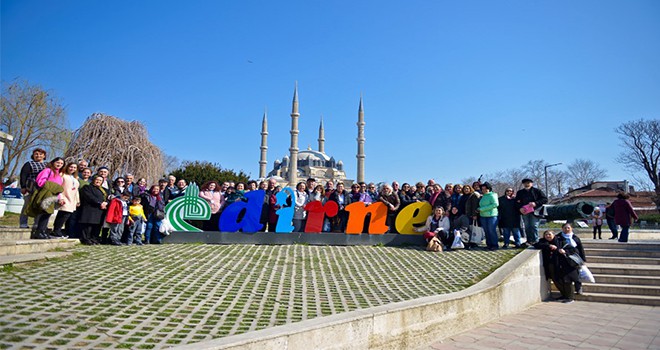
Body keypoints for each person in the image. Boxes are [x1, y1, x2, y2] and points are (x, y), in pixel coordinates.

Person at [30, 157, 65, 239]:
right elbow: (40, 181)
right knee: (44, 212)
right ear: (53, 162)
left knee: (48, 213)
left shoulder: (58, 175)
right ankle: (39, 231)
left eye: (61, 164)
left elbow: (58, 188)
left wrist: (59, 197)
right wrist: (51, 186)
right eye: (58, 162)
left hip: (53, 196)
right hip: (46, 194)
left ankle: (43, 230)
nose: (59, 164)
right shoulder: (48, 171)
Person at [552, 223, 586, 303]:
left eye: (568, 228)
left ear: (571, 228)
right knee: (567, 279)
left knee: (576, 276)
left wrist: (583, 259)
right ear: (562, 228)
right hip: (564, 260)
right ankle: (568, 295)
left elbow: (579, 249)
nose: (567, 229)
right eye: (565, 228)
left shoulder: (575, 238)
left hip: (574, 260)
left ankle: (578, 288)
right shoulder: (558, 237)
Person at [19, 148, 47, 229]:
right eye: (36, 154)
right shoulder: (29, 164)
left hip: (42, 189)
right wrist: (23, 186)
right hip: (31, 187)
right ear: (33, 155)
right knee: (27, 205)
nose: (38, 155)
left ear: (44, 156)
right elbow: (23, 175)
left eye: (41, 154)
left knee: (40, 206)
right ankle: (23, 223)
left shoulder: (47, 165)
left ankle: (37, 224)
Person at [515, 178, 548, 245]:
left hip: (535, 211)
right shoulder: (520, 192)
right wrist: (520, 208)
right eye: (525, 183)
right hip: (525, 212)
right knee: (527, 226)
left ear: (531, 183)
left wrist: (535, 203)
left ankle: (536, 240)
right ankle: (529, 240)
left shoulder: (537, 191)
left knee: (534, 226)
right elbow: (516, 202)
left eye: (528, 183)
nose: (527, 184)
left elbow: (545, 199)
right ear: (523, 184)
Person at [52, 161, 80, 238]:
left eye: (74, 168)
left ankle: (60, 230)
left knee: (67, 215)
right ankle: (56, 230)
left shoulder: (75, 178)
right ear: (67, 167)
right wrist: (60, 198)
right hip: (65, 197)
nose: (72, 169)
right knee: (63, 214)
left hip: (72, 199)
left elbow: (76, 190)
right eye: (71, 167)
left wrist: (77, 200)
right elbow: (59, 186)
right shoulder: (62, 175)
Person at [78, 175, 108, 245]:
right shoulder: (87, 187)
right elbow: (89, 197)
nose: (98, 181)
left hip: (100, 210)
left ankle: (94, 238)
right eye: (97, 179)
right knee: (88, 225)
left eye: (100, 180)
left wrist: (106, 203)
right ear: (93, 180)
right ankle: (86, 239)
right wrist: (99, 203)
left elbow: (107, 198)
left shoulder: (103, 190)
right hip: (90, 209)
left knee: (97, 226)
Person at [478, 182, 499, 250]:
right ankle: (489, 244)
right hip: (483, 216)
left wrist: (482, 209)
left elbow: (495, 204)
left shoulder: (493, 195)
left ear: (489, 189)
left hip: (491, 216)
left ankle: (495, 245)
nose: (484, 190)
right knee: (486, 231)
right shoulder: (483, 196)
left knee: (491, 230)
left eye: (486, 189)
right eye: (483, 189)